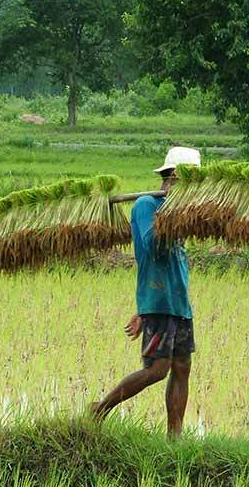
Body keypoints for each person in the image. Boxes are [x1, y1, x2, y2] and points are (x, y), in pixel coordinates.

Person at [89, 147, 200, 437]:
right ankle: (101, 408)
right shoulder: (146, 206)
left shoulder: (182, 215)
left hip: (179, 305)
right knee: (156, 369)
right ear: (172, 178)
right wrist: (146, 307)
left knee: (182, 367)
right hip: (159, 300)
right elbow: (152, 247)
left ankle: (174, 436)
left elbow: (178, 264)